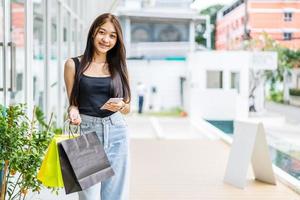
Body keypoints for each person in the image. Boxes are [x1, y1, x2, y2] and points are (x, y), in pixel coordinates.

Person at [64, 13, 131, 200]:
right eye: (102, 32)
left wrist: (121, 105)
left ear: (117, 40)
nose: (106, 39)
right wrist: (73, 112)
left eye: (112, 35)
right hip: (85, 132)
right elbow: (72, 104)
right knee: (88, 197)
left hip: (117, 131)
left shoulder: (119, 66)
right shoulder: (73, 64)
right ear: (94, 32)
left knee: (114, 196)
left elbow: (128, 108)